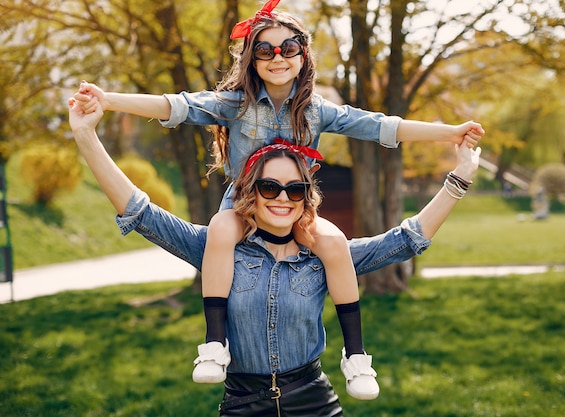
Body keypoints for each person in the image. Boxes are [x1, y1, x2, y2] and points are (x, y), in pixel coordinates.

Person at [73, 0, 484, 398]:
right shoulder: (233, 104)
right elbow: (174, 107)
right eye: (264, 50)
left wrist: (449, 132)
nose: (277, 57)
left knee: (336, 243)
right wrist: (108, 101)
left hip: (300, 206)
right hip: (242, 204)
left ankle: (356, 355)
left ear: (303, 56)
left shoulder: (317, 111)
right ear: (251, 59)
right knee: (219, 228)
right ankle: (215, 344)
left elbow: (380, 126)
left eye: (288, 48)